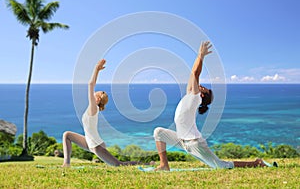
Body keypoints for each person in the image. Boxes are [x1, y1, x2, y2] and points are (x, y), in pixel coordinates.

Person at [153, 41, 270, 171]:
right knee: (159, 132)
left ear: (202, 96)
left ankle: (256, 163)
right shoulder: (189, 96)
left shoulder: (195, 98)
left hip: (194, 143)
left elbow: (195, 74)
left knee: (221, 166)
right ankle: (164, 165)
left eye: (205, 89)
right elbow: (192, 76)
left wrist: (201, 56)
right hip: (182, 140)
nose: (201, 86)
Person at [62, 59, 151, 167]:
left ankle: (146, 164)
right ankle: (66, 164)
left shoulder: (93, 108)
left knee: (119, 165)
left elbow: (90, 85)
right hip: (89, 142)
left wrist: (96, 69)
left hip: (96, 146)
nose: (94, 92)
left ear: (98, 99)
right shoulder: (93, 108)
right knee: (67, 135)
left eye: (96, 93)